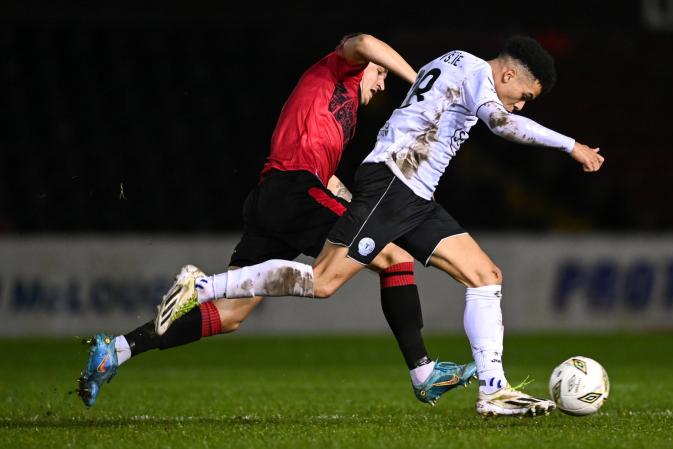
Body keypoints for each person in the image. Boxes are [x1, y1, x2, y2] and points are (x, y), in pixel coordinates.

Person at [157, 35, 604, 417]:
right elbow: (501, 123)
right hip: (392, 182)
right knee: (324, 282)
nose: (520, 104)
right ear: (507, 74)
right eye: (524, 95)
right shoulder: (475, 73)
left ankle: (493, 391)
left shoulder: (456, 61)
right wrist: (571, 146)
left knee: (486, 275)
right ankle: (202, 287)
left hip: (417, 195)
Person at [77, 33, 477, 408]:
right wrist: (420, 79)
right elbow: (364, 41)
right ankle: (423, 372)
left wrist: (366, 211)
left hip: (276, 197)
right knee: (395, 259)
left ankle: (117, 350)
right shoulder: (338, 69)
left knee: (231, 315)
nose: (382, 83)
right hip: (292, 191)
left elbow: (329, 182)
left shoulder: (341, 116)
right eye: (381, 73)